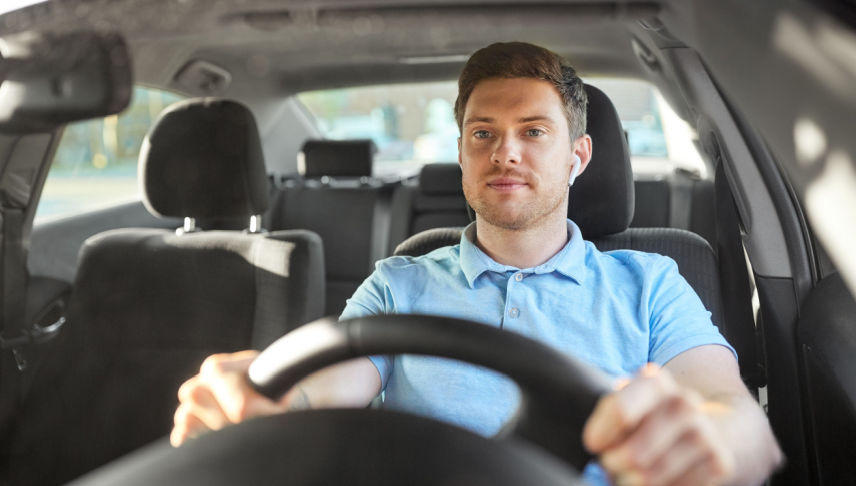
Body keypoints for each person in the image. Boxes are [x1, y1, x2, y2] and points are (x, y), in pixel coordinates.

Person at [171, 42, 783, 486]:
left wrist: (713, 445)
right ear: (462, 155)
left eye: (534, 132)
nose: (505, 153)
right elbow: (323, 391)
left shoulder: (651, 282)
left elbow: (735, 417)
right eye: (483, 134)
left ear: (578, 156)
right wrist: (262, 404)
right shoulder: (398, 283)